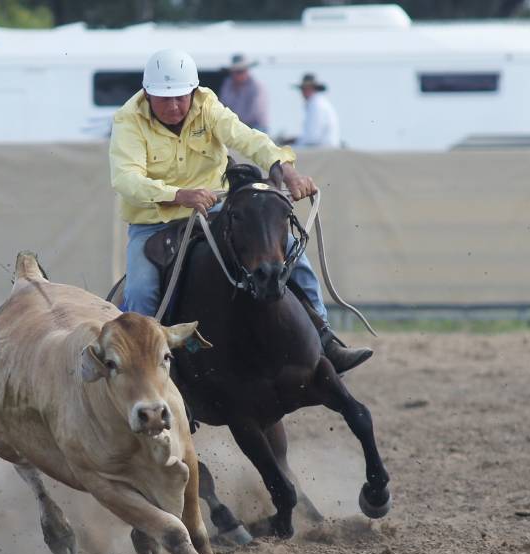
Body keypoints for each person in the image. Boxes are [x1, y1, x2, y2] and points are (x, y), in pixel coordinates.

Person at [109, 49, 372, 374]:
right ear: (147, 94)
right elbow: (126, 179)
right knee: (140, 292)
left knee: (290, 253)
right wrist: (178, 194)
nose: (175, 106)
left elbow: (247, 138)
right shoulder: (128, 120)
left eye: (181, 97)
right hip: (152, 223)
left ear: (193, 92)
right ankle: (141, 373)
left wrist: (285, 168)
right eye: (165, 99)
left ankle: (324, 340)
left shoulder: (208, 106)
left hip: (214, 211)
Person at [218, 53, 269, 132]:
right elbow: (222, 106)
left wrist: (234, 123)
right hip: (235, 126)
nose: (239, 74)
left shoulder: (256, 87)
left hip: (255, 128)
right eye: (236, 71)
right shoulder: (227, 84)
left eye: (242, 71)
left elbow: (254, 113)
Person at [293, 73, 340, 148]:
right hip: (324, 148)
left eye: (306, 88)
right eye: (303, 88)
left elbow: (312, 138)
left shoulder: (316, 105)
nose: (303, 92)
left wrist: (294, 142)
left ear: (313, 88)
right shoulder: (318, 103)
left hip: (323, 150)